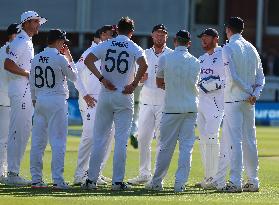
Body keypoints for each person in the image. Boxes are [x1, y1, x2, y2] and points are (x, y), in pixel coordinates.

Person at [82, 16, 148, 190]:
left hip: (106, 93)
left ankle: (91, 180)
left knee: (99, 139)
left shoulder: (106, 44)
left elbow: (88, 60)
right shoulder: (134, 46)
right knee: (120, 141)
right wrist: (133, 84)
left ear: (117, 29)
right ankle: (117, 182)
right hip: (124, 95)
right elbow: (144, 64)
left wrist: (102, 79)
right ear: (131, 32)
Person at [145, 30, 200, 192]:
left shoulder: (165, 58)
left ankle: (156, 182)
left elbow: (159, 82)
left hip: (171, 108)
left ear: (175, 41)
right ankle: (180, 184)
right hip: (190, 108)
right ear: (188, 43)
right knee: (186, 148)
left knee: (165, 147)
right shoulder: (196, 61)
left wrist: (171, 87)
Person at [221, 17, 265, 192]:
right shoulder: (252, 48)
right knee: (250, 140)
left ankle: (235, 181)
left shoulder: (228, 47)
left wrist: (248, 91)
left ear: (228, 29)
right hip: (249, 100)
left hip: (235, 98)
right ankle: (253, 180)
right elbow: (261, 77)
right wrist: (255, 93)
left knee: (235, 141)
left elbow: (232, 76)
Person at [29, 29, 78, 189]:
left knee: (37, 142)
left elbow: (31, 83)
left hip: (40, 100)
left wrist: (35, 100)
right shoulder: (60, 58)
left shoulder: (36, 58)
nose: (64, 45)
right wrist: (69, 57)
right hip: (56, 100)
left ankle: (36, 179)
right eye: (63, 42)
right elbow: (75, 77)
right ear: (58, 41)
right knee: (58, 142)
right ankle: (58, 180)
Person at [4, 11, 47, 186]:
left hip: (23, 90)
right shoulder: (21, 41)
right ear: (27, 23)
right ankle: (12, 173)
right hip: (20, 90)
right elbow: (8, 64)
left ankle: (13, 171)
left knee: (23, 131)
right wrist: (27, 74)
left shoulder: (26, 41)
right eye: (36, 21)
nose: (39, 25)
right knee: (18, 132)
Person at [128, 24, 173, 185]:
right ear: (152, 36)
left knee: (162, 140)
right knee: (144, 139)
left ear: (166, 37)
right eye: (157, 34)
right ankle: (144, 173)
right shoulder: (144, 54)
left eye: (163, 34)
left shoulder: (171, 55)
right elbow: (135, 77)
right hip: (146, 102)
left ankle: (157, 177)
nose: (160, 37)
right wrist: (140, 80)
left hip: (164, 103)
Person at [73, 26, 115, 186]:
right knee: (89, 136)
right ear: (102, 35)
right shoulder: (90, 52)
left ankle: (95, 172)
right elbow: (75, 75)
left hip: (105, 99)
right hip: (91, 100)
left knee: (108, 136)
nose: (112, 38)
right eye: (111, 35)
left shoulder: (106, 52)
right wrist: (84, 94)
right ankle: (79, 174)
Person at [195, 28, 225, 187]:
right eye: (202, 38)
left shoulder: (223, 54)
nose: (203, 40)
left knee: (213, 138)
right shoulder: (201, 59)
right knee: (203, 140)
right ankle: (208, 177)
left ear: (215, 38)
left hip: (216, 103)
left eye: (206, 37)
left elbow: (228, 78)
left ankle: (215, 178)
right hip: (201, 104)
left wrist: (210, 85)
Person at [0, 23, 18, 183]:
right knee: (4, 139)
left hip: (6, 98)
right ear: (12, 35)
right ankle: (1, 172)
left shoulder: (5, 49)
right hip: (5, 99)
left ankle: (3, 170)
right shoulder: (8, 50)